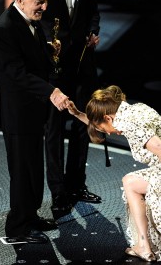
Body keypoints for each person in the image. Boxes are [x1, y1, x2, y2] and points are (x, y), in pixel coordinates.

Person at [0, 0, 70, 244]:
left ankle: (31, 215)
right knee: (23, 172)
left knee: (34, 169)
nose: (44, 7)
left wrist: (49, 52)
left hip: (32, 112)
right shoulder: (4, 28)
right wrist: (52, 91)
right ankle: (17, 228)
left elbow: (31, 60)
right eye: (40, 2)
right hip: (17, 115)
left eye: (45, 1)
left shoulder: (29, 20)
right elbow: (15, 74)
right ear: (21, 0)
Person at [28, 0, 102, 219]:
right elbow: (29, 14)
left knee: (83, 123)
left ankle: (76, 184)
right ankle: (58, 191)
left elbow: (92, 10)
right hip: (53, 65)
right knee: (54, 128)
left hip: (82, 63)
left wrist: (94, 32)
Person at [67, 85, 161, 262]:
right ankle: (144, 245)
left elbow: (158, 147)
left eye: (103, 128)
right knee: (131, 181)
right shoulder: (135, 110)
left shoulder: (128, 123)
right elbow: (101, 123)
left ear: (108, 117)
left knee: (130, 183)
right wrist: (78, 114)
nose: (107, 133)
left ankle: (143, 246)